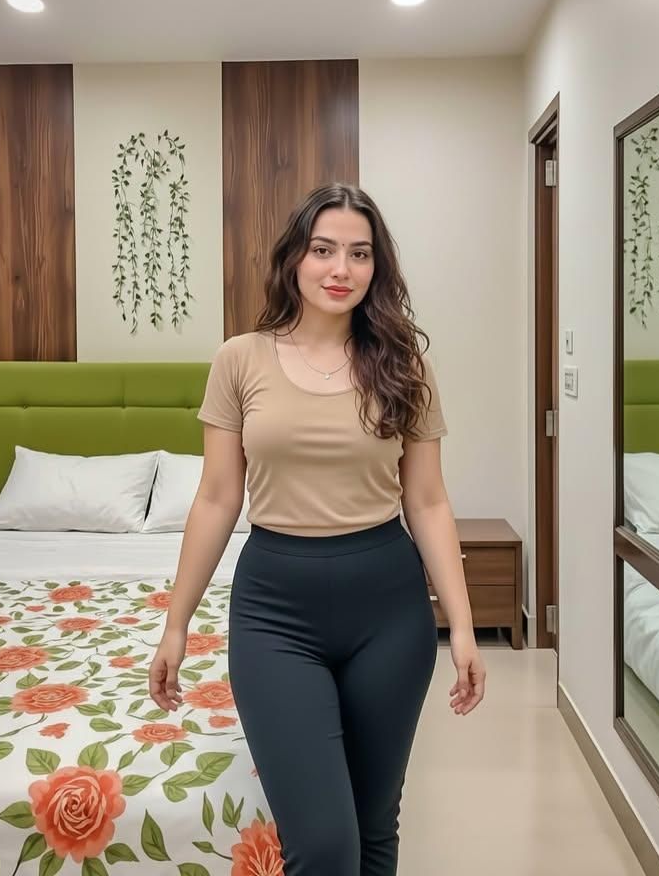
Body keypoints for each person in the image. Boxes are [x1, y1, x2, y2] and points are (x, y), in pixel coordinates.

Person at [149, 182, 486, 876]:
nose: (341, 269)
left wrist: (461, 625)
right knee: (325, 845)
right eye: (323, 249)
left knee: (373, 826)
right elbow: (216, 497)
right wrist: (176, 624)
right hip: (275, 610)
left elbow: (427, 501)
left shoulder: (404, 366)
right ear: (294, 259)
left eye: (359, 254)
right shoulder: (240, 359)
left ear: (377, 266)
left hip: (389, 610)